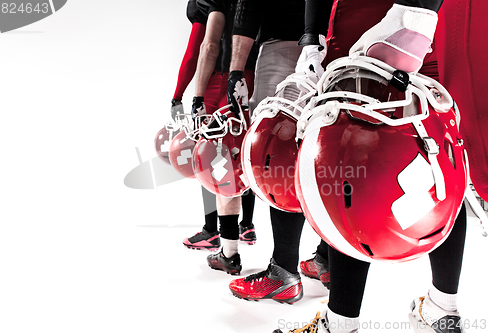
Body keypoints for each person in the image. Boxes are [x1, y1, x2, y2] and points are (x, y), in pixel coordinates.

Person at [274, 0, 473, 332]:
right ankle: (443, 307)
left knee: (349, 167)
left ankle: (339, 322)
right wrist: (421, 13)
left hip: (366, 25)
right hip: (431, 24)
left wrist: (312, 35)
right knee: (436, 156)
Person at [224, 0, 334, 303]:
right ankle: (327, 258)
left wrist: (236, 69)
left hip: (288, 50)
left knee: (279, 157)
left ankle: (283, 272)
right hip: (341, 42)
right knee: (331, 153)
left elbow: (248, 9)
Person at [170, 0, 257, 253]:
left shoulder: (209, 2)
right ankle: (247, 226)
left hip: (218, 78)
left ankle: (212, 230)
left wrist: (178, 95)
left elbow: (200, 48)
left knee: (209, 155)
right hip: (250, 75)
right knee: (243, 152)